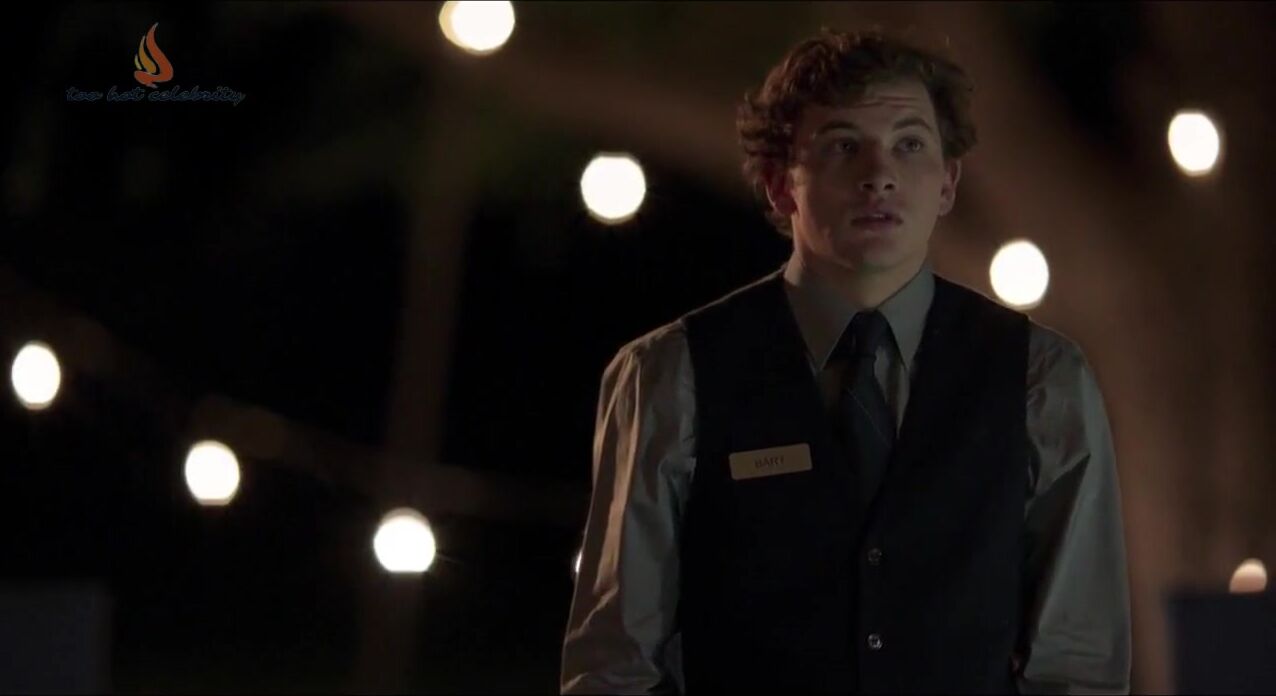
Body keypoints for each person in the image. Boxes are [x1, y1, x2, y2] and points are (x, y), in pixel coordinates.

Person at [560, 27, 1131, 694]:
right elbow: (616, 665)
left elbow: (1076, 666)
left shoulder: (1041, 377)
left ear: (947, 183)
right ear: (780, 185)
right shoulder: (671, 374)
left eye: (909, 144)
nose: (878, 175)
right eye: (842, 145)